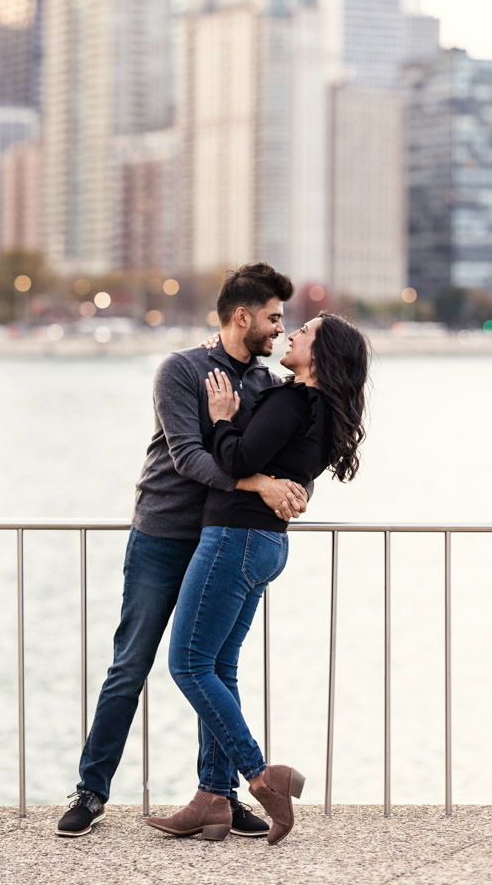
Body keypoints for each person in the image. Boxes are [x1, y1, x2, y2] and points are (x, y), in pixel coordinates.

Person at [57, 263, 312, 838]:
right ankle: (91, 791)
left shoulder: (270, 386)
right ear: (241, 317)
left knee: (217, 669)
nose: (279, 329)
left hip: (223, 542)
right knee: (130, 666)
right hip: (161, 537)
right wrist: (254, 484)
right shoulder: (181, 370)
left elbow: (283, 456)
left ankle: (218, 795)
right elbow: (188, 456)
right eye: (273, 318)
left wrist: (289, 487)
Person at [145, 312, 370, 845]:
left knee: (187, 663)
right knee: (219, 667)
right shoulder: (318, 410)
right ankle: (211, 799)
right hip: (265, 544)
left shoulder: (294, 401)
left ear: (320, 355)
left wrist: (222, 418)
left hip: (235, 538)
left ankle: (259, 775)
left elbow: (239, 457)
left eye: (305, 331)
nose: (291, 333)